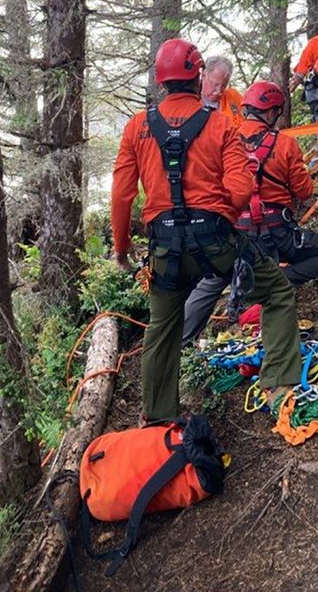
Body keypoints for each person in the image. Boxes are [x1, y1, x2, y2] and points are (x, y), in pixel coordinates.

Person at [113, 38, 301, 422]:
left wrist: (121, 247)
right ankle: (278, 386)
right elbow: (242, 187)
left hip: (165, 247)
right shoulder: (220, 125)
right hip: (217, 240)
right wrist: (219, 214)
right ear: (198, 76)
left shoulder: (137, 127)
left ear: (160, 80)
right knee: (277, 293)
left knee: (162, 328)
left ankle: (157, 417)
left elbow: (122, 194)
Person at [180, 82, 318, 344]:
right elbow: (304, 192)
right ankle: (276, 279)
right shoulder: (285, 145)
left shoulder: (223, 140)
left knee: (211, 280)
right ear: (271, 113)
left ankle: (180, 341)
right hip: (277, 234)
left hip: (232, 234)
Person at [201, 56, 243, 127]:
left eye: (223, 86)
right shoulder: (191, 100)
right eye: (215, 84)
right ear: (203, 76)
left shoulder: (234, 97)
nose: (218, 91)